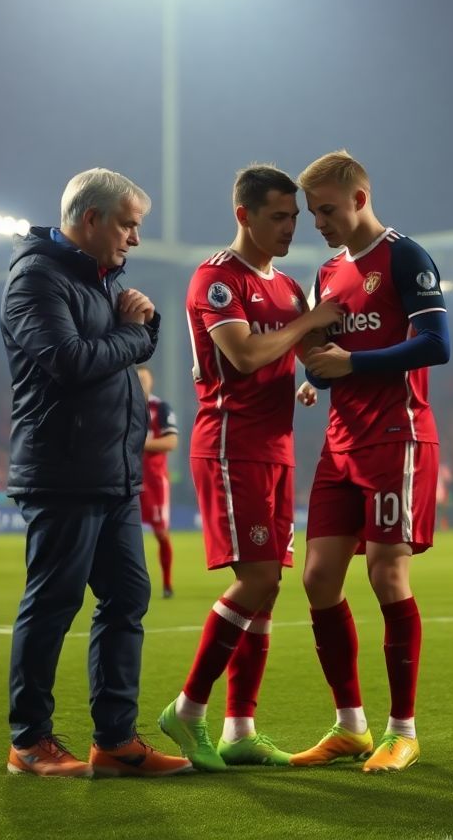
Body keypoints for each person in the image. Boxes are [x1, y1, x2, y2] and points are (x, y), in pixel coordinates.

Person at [1, 167, 191, 779]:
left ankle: (114, 740)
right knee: (54, 603)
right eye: (129, 225)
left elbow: (120, 352)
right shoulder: (35, 279)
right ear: (91, 219)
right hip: (62, 471)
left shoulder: (103, 280)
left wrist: (145, 329)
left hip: (112, 474)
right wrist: (137, 334)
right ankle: (29, 742)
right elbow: (70, 361)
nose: (135, 239)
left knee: (127, 596)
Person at [158, 164, 343, 772]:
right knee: (258, 579)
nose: (292, 227)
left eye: (294, 216)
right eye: (279, 216)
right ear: (244, 215)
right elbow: (240, 356)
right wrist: (309, 326)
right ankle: (187, 711)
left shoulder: (289, 289)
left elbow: (310, 353)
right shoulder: (216, 278)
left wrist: (313, 369)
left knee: (268, 590)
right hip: (231, 444)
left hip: (277, 448)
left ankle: (241, 729)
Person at [289, 150, 450, 774]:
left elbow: (437, 343)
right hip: (340, 441)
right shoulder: (327, 272)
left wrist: (349, 365)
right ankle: (351, 726)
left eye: (327, 209)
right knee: (318, 579)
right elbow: (327, 350)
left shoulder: (405, 256)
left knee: (387, 575)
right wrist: (318, 375)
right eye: (311, 213)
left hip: (397, 435)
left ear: (360, 197)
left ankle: (402, 730)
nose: (320, 222)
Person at [137, 366, 178, 598]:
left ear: (151, 382)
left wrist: (137, 444)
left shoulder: (160, 408)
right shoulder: (123, 404)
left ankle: (167, 584)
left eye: (145, 379)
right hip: (128, 477)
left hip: (154, 480)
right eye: (138, 378)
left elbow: (171, 442)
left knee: (161, 533)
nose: (141, 382)